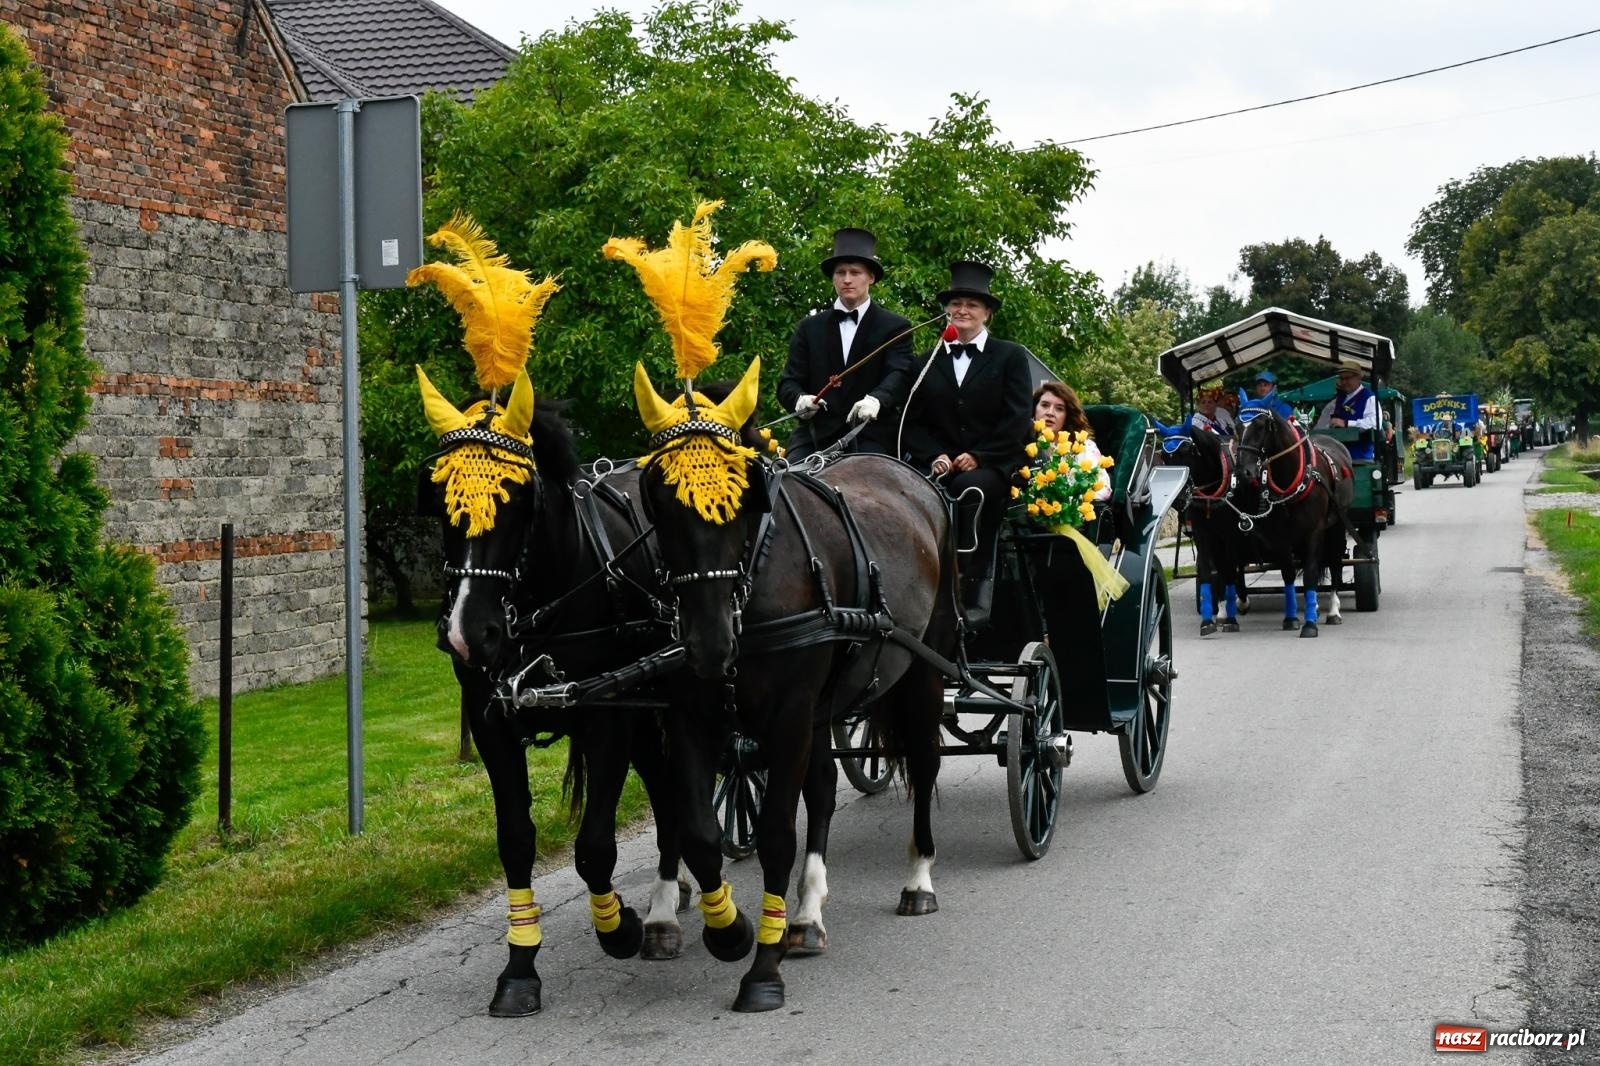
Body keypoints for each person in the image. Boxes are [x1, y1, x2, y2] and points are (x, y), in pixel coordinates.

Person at [899, 261, 1032, 626]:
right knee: (909, 492)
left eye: (972, 304)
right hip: (938, 466)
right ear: (947, 309)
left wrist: (979, 455)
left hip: (994, 465)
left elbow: (1017, 419)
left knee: (969, 490)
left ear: (987, 312)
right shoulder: (925, 363)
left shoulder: (1010, 356)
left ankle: (964, 582)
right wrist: (934, 455)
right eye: (956, 303)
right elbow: (911, 421)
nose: (962, 311)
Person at [776, 228, 914, 459]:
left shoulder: (895, 327)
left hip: (871, 435)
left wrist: (877, 399)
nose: (847, 279)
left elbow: (900, 374)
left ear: (870, 277)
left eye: (855, 272)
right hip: (814, 436)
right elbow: (788, 382)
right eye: (841, 273)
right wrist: (799, 400)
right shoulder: (808, 328)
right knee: (782, 483)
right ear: (833, 278)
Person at [1314, 360, 1378, 459]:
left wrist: (1347, 423)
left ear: (1358, 377)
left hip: (1359, 458)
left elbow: (1374, 423)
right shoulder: (1334, 403)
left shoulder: (1369, 398)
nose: (1344, 382)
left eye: (1347, 378)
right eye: (1342, 378)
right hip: (1335, 457)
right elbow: (1320, 428)